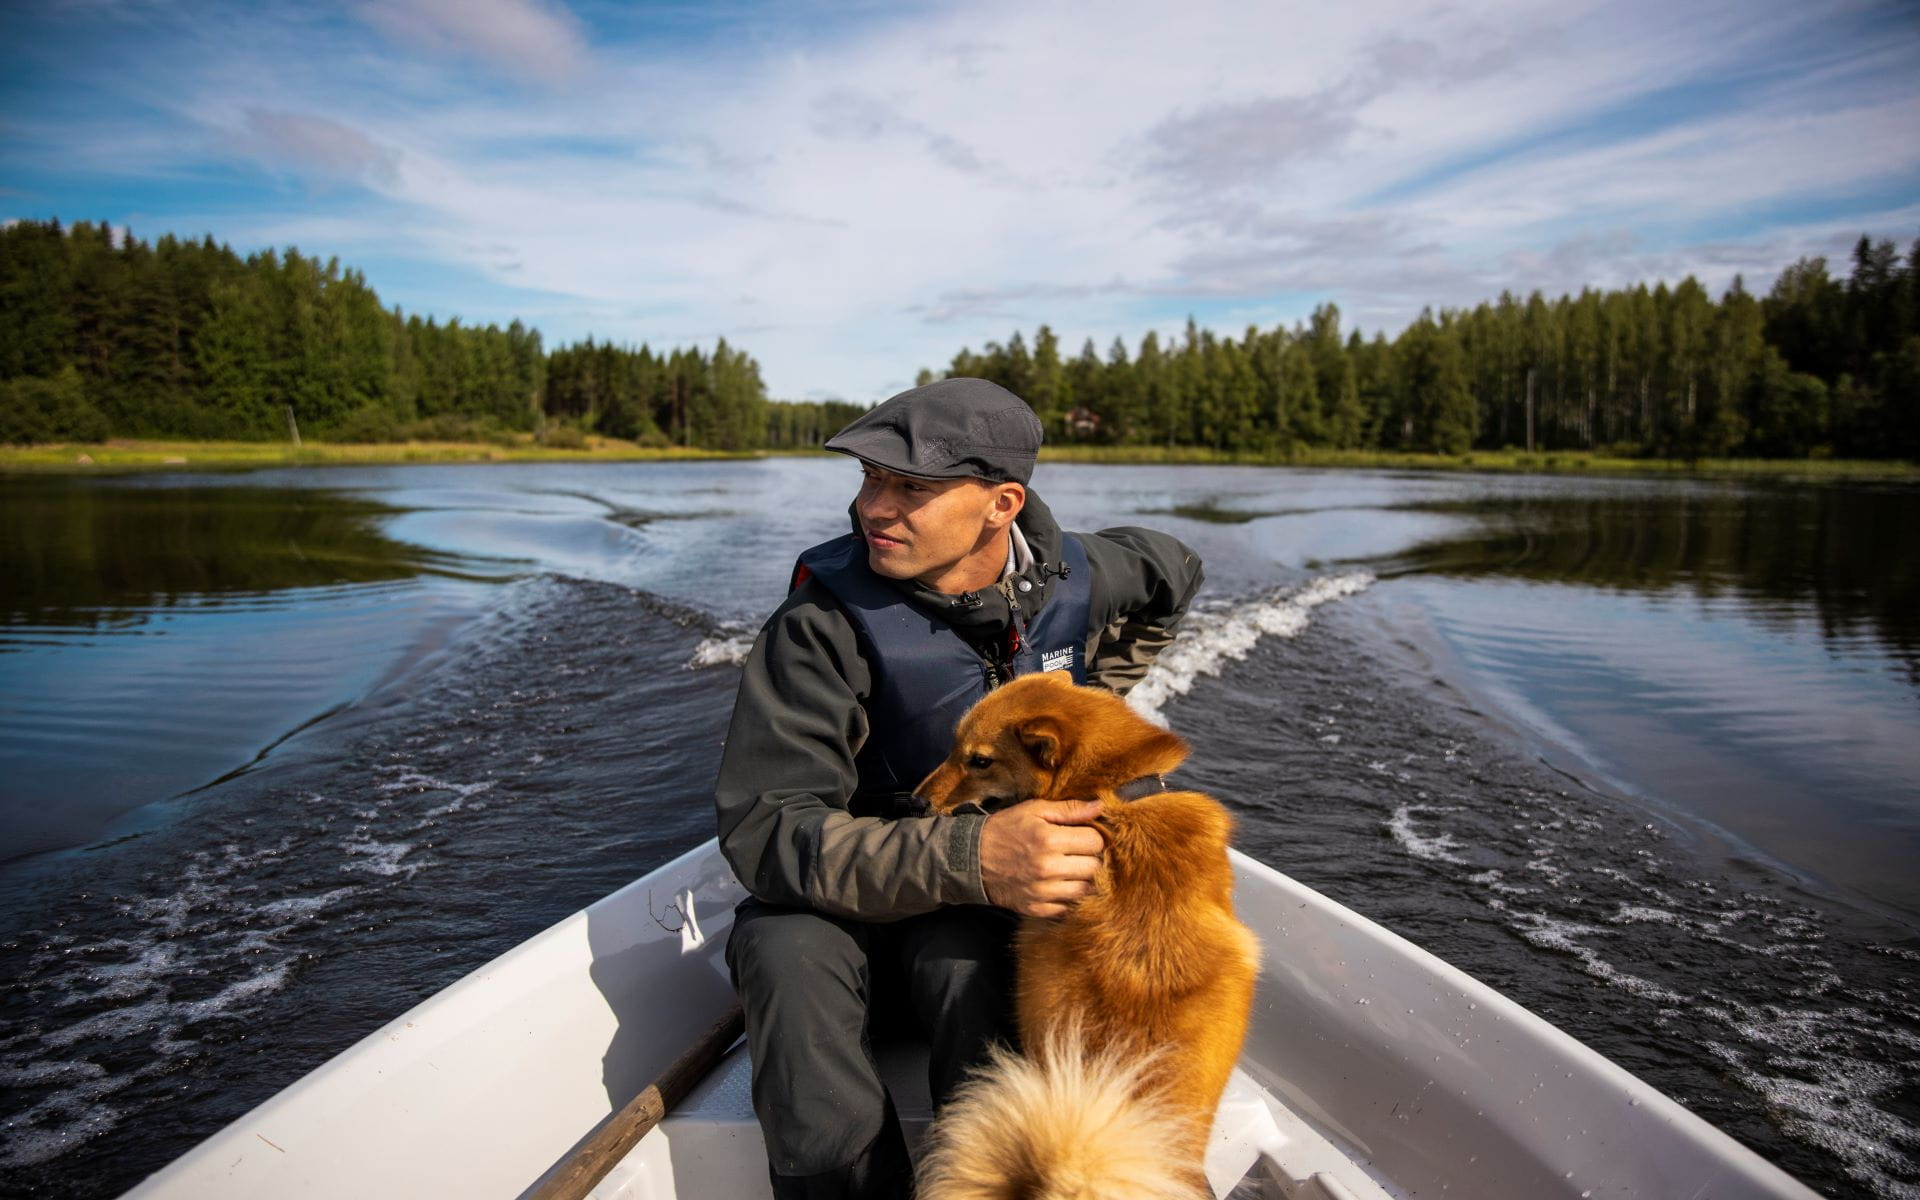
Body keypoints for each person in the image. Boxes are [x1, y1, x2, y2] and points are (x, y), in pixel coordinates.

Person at [714, 377, 1204, 1199]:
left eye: (911, 487)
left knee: (966, 962)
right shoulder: (820, 628)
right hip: (844, 901)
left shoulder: (1079, 575)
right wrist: (976, 856)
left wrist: (1096, 697)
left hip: (981, 912)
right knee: (781, 951)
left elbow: (1176, 572)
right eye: (870, 478)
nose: (874, 507)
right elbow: (767, 833)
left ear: (1002, 503)